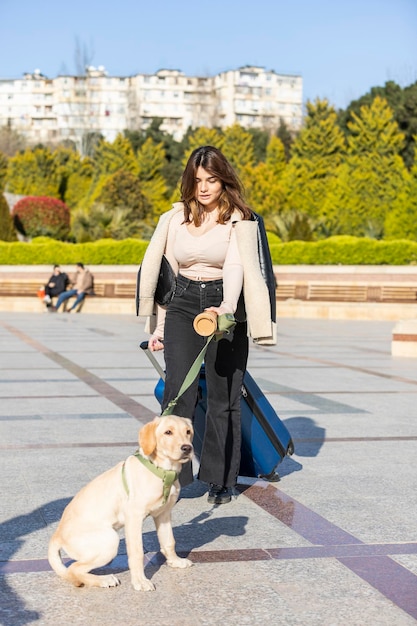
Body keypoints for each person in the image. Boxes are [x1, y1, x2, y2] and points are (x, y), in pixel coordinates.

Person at [138, 146, 276, 505]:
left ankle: (220, 479)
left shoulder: (239, 219)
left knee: (223, 395)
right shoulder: (176, 218)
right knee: (177, 392)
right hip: (182, 302)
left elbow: (235, 267)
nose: (203, 188)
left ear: (223, 180)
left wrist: (225, 309)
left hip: (225, 303)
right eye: (197, 181)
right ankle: (171, 474)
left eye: (211, 180)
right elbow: (167, 275)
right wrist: (160, 327)